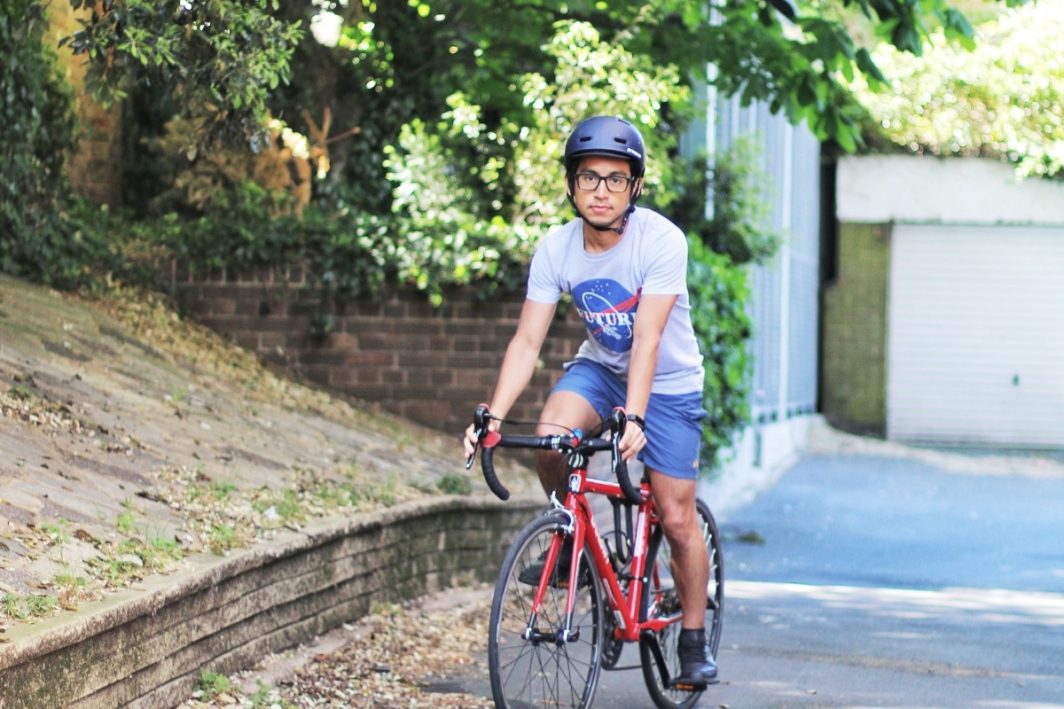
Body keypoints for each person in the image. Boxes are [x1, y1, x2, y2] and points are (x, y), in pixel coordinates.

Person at [463, 115, 718, 688]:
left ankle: (695, 639)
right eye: (588, 178)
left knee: (676, 518)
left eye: (614, 178)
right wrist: (494, 416)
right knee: (553, 440)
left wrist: (635, 416)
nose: (600, 190)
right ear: (572, 185)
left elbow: (648, 338)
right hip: (601, 370)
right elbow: (528, 341)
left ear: (634, 186)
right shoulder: (556, 248)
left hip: (670, 383)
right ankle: (575, 543)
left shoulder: (660, 240)